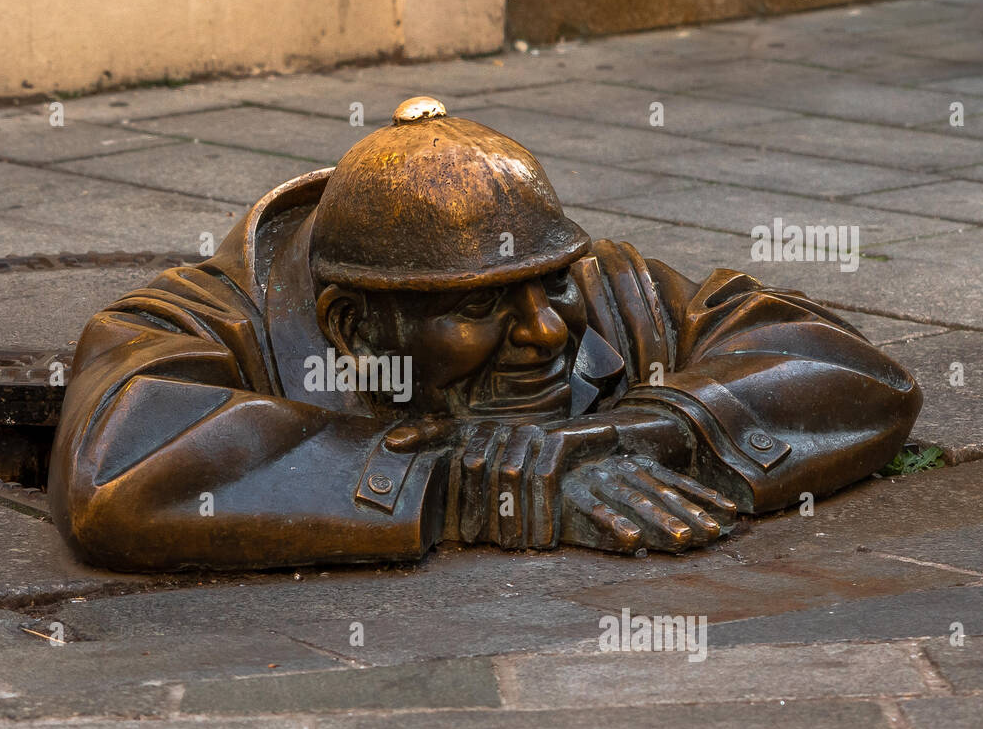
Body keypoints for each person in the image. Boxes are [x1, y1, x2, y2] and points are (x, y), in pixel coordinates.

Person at [48, 97, 921, 572]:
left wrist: (633, 433)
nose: (545, 330)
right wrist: (463, 488)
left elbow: (855, 373)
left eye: (547, 288)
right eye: (477, 309)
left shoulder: (598, 283)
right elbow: (110, 475)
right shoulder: (202, 319)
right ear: (355, 327)